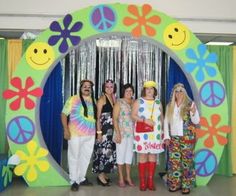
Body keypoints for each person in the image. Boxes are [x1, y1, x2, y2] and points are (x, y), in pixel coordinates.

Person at [163, 83, 200, 194]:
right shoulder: (170, 106)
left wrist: (193, 113)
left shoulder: (190, 104)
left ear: (184, 92)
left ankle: (186, 185)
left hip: (187, 138)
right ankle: (175, 184)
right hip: (174, 138)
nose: (179, 93)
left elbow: (196, 121)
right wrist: (166, 137)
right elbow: (166, 123)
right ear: (174, 93)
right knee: (174, 162)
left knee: (187, 163)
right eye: (177, 91)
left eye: (181, 91)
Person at [61, 79, 97, 191]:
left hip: (90, 134)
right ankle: (74, 180)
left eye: (89, 87)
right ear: (80, 88)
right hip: (75, 133)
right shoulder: (73, 99)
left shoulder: (94, 100)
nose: (87, 88)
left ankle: (81, 178)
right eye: (85, 86)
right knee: (74, 156)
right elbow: (63, 114)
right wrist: (66, 129)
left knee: (85, 157)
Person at [131, 81, 164, 191]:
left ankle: (150, 181)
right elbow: (133, 116)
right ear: (144, 90)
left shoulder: (158, 102)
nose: (149, 91)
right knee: (143, 155)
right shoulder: (138, 101)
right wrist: (145, 120)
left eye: (152, 88)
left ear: (155, 90)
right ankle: (143, 182)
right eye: (147, 89)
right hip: (143, 133)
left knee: (153, 155)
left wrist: (163, 131)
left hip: (155, 133)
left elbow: (162, 118)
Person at [92, 79, 117, 186]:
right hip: (104, 130)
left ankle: (105, 173)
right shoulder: (102, 99)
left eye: (111, 87)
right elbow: (97, 118)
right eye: (107, 87)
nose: (109, 89)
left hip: (112, 130)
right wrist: (98, 132)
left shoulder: (113, 97)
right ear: (104, 88)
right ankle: (100, 175)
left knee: (109, 152)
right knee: (102, 152)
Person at [113, 83, 135, 188]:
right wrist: (117, 133)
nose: (129, 93)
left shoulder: (135, 102)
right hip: (121, 133)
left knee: (129, 156)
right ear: (123, 92)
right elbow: (115, 119)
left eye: (131, 91)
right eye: (127, 91)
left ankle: (128, 177)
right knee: (121, 155)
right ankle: (121, 177)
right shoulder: (119, 102)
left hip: (132, 133)